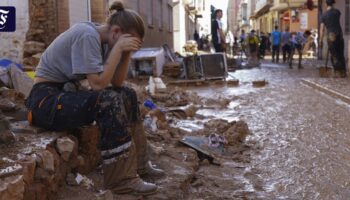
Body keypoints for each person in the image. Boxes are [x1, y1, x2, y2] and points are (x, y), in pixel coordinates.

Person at [25, 1, 164, 195]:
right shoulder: (87, 35)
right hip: (45, 101)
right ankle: (121, 180)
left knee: (127, 94)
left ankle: (140, 165)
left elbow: (116, 83)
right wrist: (117, 50)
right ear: (116, 32)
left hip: (65, 94)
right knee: (108, 100)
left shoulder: (106, 40)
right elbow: (97, 85)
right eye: (128, 41)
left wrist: (125, 54)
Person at [320, 0, 347, 77]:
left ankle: (337, 72)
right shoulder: (337, 12)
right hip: (339, 34)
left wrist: (320, 40)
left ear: (326, 4)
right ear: (333, 3)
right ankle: (343, 72)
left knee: (334, 55)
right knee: (340, 54)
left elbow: (322, 29)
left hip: (331, 35)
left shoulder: (324, 15)